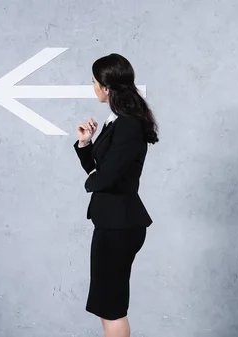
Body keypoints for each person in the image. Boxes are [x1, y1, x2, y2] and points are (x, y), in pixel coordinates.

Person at [73, 53, 158, 337]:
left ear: (106, 87)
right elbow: (100, 171)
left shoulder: (128, 125)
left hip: (120, 225)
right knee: (105, 305)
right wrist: (86, 145)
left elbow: (106, 177)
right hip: (111, 222)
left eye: (94, 82)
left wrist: (93, 178)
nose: (93, 87)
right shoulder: (116, 122)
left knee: (112, 307)